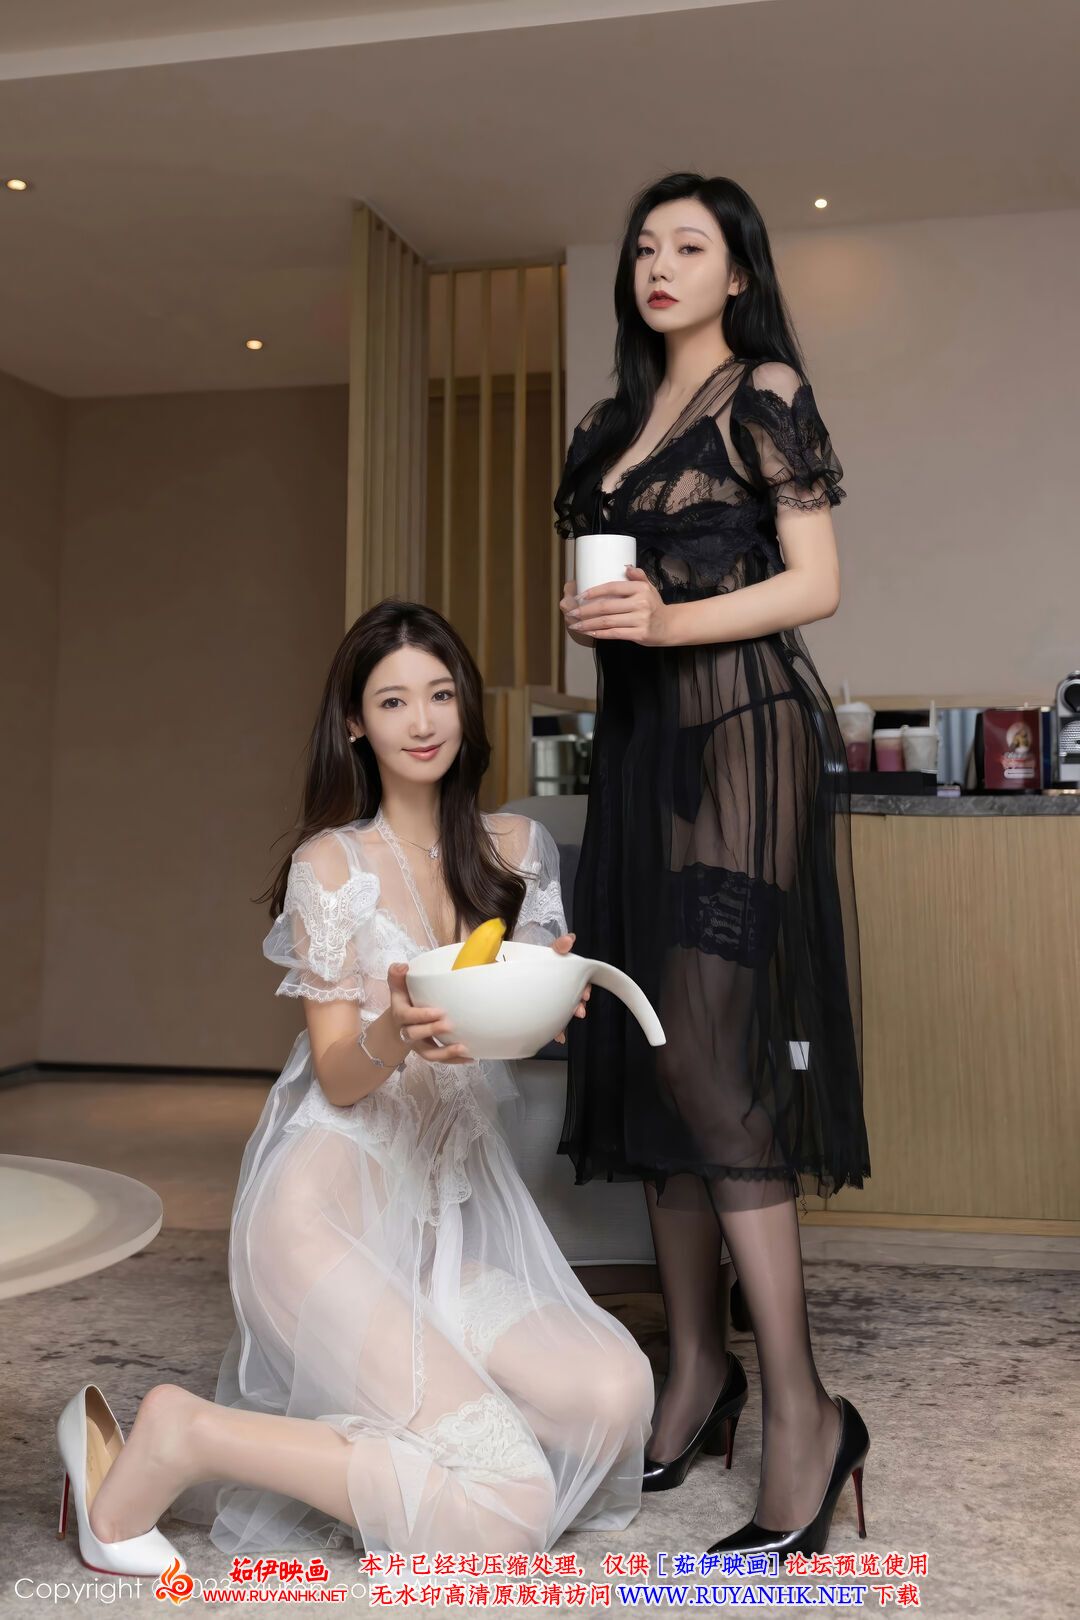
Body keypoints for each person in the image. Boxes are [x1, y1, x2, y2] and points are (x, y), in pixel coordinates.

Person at [55, 599, 653, 1574]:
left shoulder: (516, 849)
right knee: (508, 1511)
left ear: (465, 707)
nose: (422, 722)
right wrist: (392, 1030)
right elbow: (338, 1076)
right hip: (323, 1222)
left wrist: (552, 1001)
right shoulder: (330, 865)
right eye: (392, 701)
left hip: (439, 1231)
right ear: (354, 725)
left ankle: (406, 1433)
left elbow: (509, 1019)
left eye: (440, 695)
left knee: (614, 1399)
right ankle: (185, 1436)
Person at [552, 172, 871, 1557]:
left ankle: (804, 1408)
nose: (659, 264)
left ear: (737, 271)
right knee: (649, 1054)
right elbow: (618, 602)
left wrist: (669, 625)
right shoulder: (607, 429)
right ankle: (696, 1371)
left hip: (742, 739)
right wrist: (608, 618)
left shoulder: (765, 390)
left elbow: (816, 584)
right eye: (644, 246)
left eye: (690, 245)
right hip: (637, 754)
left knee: (706, 1060)